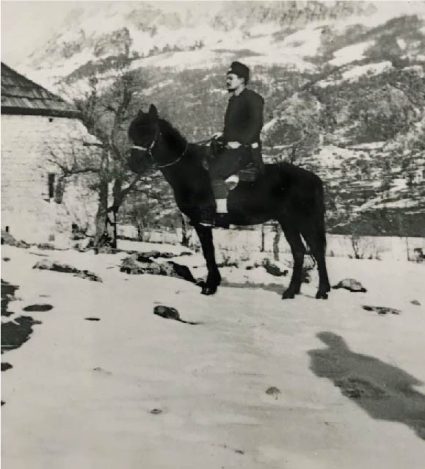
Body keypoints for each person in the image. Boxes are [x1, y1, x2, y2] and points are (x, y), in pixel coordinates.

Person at [200, 61, 265, 227]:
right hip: (232, 147)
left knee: (216, 171)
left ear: (242, 80)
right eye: (227, 78)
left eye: (231, 78)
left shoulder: (253, 99)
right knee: (204, 160)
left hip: (247, 149)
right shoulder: (233, 100)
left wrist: (240, 142)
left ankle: (222, 216)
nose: (227, 81)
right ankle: (231, 179)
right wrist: (223, 135)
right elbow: (234, 126)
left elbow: (255, 125)